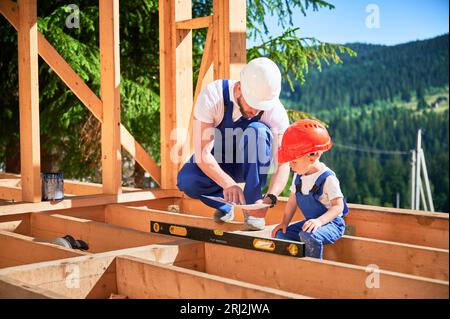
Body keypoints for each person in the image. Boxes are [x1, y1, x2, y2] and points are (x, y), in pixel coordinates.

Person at [177, 57, 291, 230]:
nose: (255, 111)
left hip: (250, 164)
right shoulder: (212, 96)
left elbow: (283, 163)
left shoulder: (275, 110)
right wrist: (228, 184)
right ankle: (226, 205)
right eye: (252, 105)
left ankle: (253, 209)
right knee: (187, 180)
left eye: (261, 108)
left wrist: (271, 198)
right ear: (238, 89)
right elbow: (202, 154)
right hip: (218, 161)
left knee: (258, 131)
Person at [271, 119, 349, 259]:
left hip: (331, 224)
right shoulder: (299, 176)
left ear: (312, 157)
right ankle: (293, 265)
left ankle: (313, 268)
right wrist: (284, 223)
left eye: (294, 161)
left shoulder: (327, 178)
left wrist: (319, 221)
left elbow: (338, 207)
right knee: (281, 235)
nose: (290, 165)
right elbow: (291, 203)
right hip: (312, 224)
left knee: (308, 236)